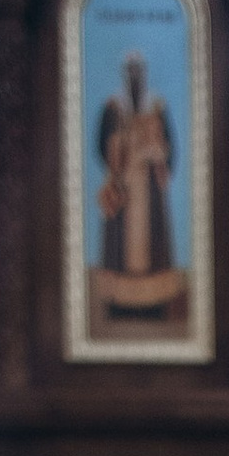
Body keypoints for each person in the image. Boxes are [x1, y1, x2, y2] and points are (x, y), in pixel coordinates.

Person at [95, 50, 181, 315]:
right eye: (130, 71)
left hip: (150, 188)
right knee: (119, 245)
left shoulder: (157, 107)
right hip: (123, 184)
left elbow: (170, 146)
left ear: (144, 74)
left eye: (139, 71)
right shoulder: (113, 107)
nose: (135, 76)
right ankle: (119, 304)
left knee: (152, 243)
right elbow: (101, 144)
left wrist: (157, 153)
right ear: (124, 75)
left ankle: (154, 304)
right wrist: (118, 151)